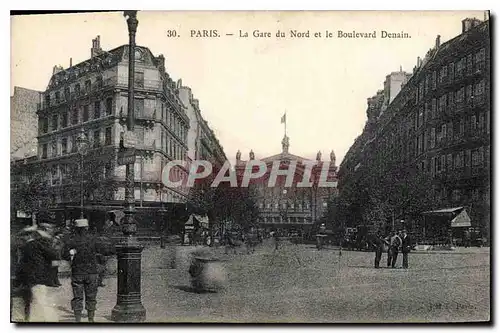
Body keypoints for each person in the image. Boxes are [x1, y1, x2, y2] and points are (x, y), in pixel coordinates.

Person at [63, 218, 113, 323]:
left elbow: (65, 255)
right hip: (92, 272)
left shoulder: (72, 240)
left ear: (76, 228)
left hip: (77, 272)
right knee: (91, 297)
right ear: (86, 228)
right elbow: (105, 251)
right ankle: (91, 319)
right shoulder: (93, 239)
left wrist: (73, 253)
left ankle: (78, 320)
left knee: (77, 297)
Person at [14, 225, 59, 322]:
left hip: (28, 279)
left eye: (23, 236)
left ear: (28, 236)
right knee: (40, 301)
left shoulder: (23, 247)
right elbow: (53, 254)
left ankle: (30, 320)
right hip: (38, 278)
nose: (22, 238)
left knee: (30, 302)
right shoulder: (37, 244)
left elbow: (21, 264)